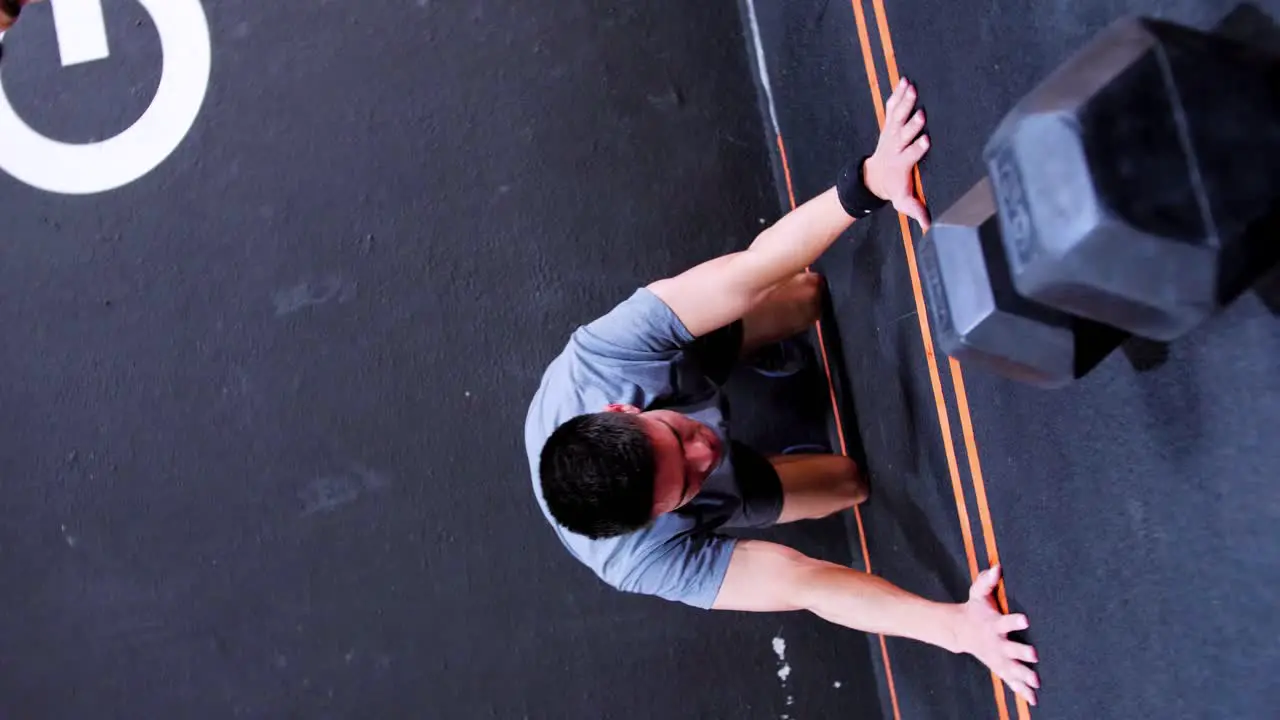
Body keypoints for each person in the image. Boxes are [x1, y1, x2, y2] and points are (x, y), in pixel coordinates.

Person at [525, 78, 1040, 707]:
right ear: (659, 517)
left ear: (622, 410)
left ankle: (751, 347)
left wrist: (871, 183)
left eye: (681, 438)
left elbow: (750, 270)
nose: (705, 450)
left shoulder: (600, 359)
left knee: (801, 294)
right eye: (685, 482)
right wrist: (956, 628)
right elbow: (806, 583)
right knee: (848, 483)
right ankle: (736, 462)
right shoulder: (643, 560)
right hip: (705, 480)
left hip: (687, 363)